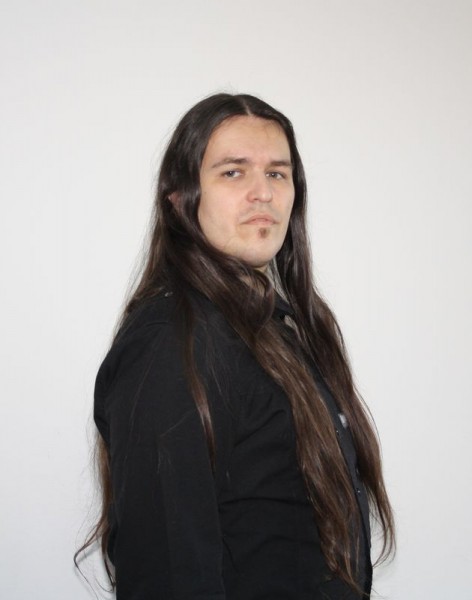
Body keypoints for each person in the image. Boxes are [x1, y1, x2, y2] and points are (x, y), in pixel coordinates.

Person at [79, 93, 395, 599]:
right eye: (233, 172)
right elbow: (166, 574)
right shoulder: (170, 343)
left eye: (277, 174)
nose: (262, 193)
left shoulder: (279, 327)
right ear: (180, 198)